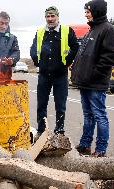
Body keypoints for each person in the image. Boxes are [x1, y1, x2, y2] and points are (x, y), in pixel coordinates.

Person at [71, 0, 114, 157]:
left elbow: (110, 57)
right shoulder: (91, 30)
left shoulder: (108, 29)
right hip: (85, 82)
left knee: (100, 115)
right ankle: (85, 145)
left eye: (88, 11)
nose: (86, 13)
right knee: (88, 115)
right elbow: (84, 55)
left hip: (95, 83)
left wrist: (94, 74)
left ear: (97, 11)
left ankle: (101, 149)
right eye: (85, 11)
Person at [30, 6, 79, 138]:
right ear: (45, 17)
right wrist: (37, 62)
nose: (50, 19)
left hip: (60, 75)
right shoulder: (40, 32)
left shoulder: (67, 31)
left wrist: (67, 61)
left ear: (57, 17)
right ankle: (41, 130)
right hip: (44, 75)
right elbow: (33, 49)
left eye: (53, 16)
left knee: (60, 104)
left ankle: (59, 130)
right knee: (41, 104)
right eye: (48, 16)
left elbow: (75, 47)